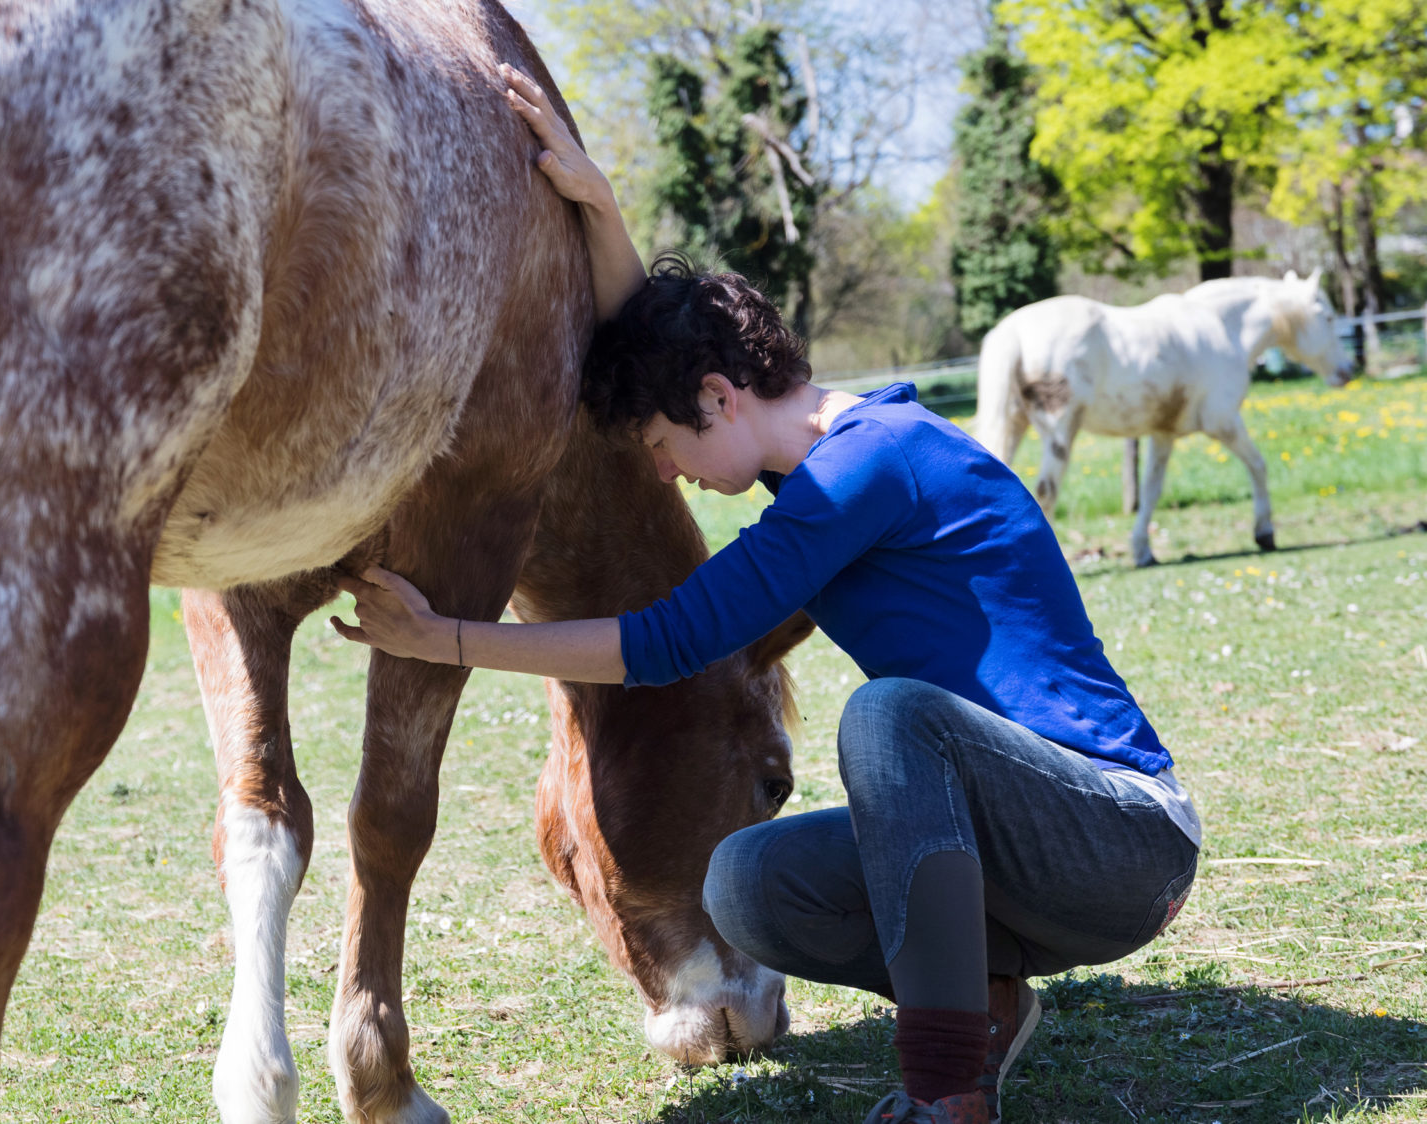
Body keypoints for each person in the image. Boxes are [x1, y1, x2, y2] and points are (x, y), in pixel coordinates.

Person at [330, 64, 1202, 1124]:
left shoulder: (868, 467)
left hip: (1120, 837)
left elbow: (670, 638)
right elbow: (647, 342)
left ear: (718, 396)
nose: (663, 471)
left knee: (892, 719)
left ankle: (947, 1092)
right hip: (1020, 840)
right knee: (746, 882)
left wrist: (445, 637)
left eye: (660, 443)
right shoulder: (824, 469)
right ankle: (978, 1001)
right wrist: (597, 205)